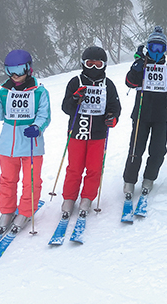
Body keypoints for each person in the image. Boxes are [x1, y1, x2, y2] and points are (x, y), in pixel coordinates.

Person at [0, 50, 51, 233]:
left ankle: (26, 211)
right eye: (10, 70)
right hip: (8, 145)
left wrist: (37, 127)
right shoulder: (4, 91)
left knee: (31, 180)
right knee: (7, 180)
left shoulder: (39, 91)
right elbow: (1, 116)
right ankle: (7, 210)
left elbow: (45, 115)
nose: (15, 75)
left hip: (31, 144)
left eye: (20, 70)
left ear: (29, 69)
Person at [60, 46, 121, 218]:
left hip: (98, 134)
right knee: (74, 168)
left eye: (98, 64)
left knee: (94, 168)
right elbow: (65, 107)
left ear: (104, 66)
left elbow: (115, 107)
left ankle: (87, 197)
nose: (93, 68)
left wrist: (113, 117)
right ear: (83, 64)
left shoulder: (108, 85)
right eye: (90, 63)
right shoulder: (75, 82)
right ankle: (69, 198)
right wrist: (74, 99)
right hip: (77, 132)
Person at [122, 27, 167, 199]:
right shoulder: (142, 64)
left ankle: (149, 178)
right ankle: (129, 181)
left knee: (158, 149)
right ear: (148, 47)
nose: (156, 51)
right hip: (141, 114)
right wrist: (136, 68)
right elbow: (129, 83)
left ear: (164, 50)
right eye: (153, 47)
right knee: (136, 148)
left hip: (161, 116)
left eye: (160, 48)